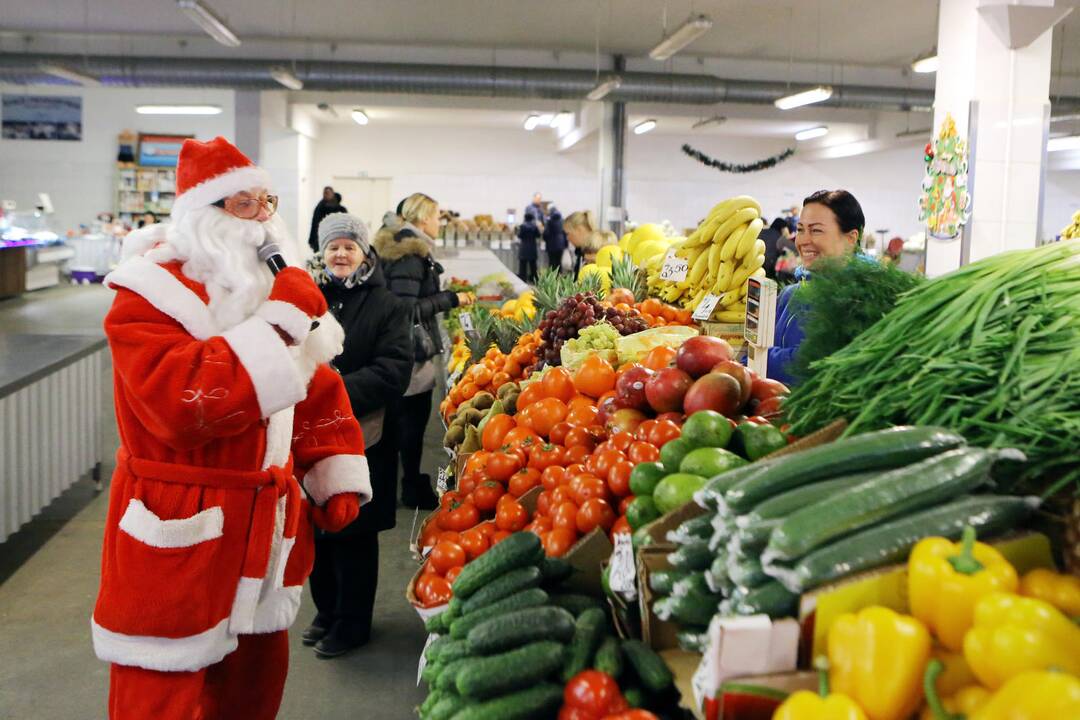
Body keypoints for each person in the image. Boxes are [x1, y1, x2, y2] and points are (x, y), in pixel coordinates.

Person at [92, 137, 370, 719]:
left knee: (252, 691)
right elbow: (178, 404)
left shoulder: (259, 285)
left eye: (268, 201)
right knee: (163, 694)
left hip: (263, 536)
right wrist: (279, 323)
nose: (265, 219)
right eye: (245, 205)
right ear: (204, 215)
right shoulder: (146, 296)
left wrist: (329, 463)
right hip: (179, 528)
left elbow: (313, 385)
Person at [305, 212, 412, 658]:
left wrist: (333, 391)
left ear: (364, 252)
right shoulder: (307, 300)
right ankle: (326, 610)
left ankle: (353, 623)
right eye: (333, 246)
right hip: (311, 437)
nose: (341, 253)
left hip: (365, 435)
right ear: (322, 252)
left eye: (349, 245)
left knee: (354, 532)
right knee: (315, 528)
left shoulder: (387, 304)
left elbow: (394, 371)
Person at [375, 193, 475, 509]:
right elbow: (405, 309)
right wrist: (449, 299)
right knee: (410, 423)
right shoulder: (410, 256)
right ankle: (409, 489)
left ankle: (401, 485)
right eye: (435, 217)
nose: (438, 223)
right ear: (421, 219)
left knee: (402, 422)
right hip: (409, 352)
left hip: (402, 349)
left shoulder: (407, 250)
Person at [768, 189, 866, 385]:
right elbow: (759, 349)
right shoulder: (790, 294)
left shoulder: (862, 299)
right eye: (801, 229)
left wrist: (759, 359)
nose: (803, 240)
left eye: (816, 230)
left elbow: (814, 365)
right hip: (775, 409)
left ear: (851, 238)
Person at [307, 186, 347, 254]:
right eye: (325, 193)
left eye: (328, 193)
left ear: (332, 194)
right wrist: (312, 240)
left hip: (336, 238)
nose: (326, 195)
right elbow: (314, 224)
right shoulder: (319, 208)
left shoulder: (341, 210)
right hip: (320, 239)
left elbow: (345, 225)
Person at [564, 209, 600, 275]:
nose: (567, 238)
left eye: (568, 233)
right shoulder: (580, 252)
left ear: (579, 229)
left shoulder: (596, 252)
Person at [516, 210, 541, 282]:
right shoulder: (535, 226)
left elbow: (519, 236)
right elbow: (538, 235)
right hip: (532, 247)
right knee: (533, 265)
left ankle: (523, 279)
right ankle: (534, 279)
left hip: (524, 247)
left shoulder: (522, 226)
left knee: (523, 265)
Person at [543, 205, 568, 272]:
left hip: (551, 244)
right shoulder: (562, 220)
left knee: (551, 262)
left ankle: (552, 277)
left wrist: (545, 239)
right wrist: (566, 244)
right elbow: (565, 233)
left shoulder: (549, 221)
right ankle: (559, 276)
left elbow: (546, 233)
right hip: (561, 244)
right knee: (558, 261)